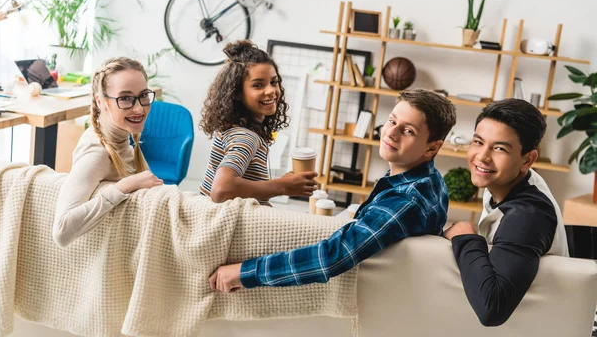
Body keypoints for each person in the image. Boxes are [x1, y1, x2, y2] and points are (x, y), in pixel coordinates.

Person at [209, 89, 457, 292]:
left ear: (431, 148)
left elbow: (333, 257)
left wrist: (243, 273)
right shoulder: (431, 179)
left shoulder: (406, 200)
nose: (390, 132)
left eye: (408, 131)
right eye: (392, 121)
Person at [443, 98, 569, 327]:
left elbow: (492, 308)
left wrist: (466, 236)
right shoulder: (506, 184)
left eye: (500, 148)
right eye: (478, 142)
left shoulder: (528, 215)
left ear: (528, 159)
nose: (482, 156)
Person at [52, 57, 163, 247]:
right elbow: (62, 231)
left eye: (144, 95)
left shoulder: (120, 139)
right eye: (125, 98)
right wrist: (124, 186)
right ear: (101, 101)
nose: (139, 108)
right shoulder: (97, 154)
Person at [199, 40, 317, 205]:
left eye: (274, 82)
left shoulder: (235, 128)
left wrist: (281, 184)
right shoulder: (246, 137)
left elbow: (243, 190)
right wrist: (283, 186)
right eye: (258, 85)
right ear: (238, 93)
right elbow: (221, 190)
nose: (271, 91)